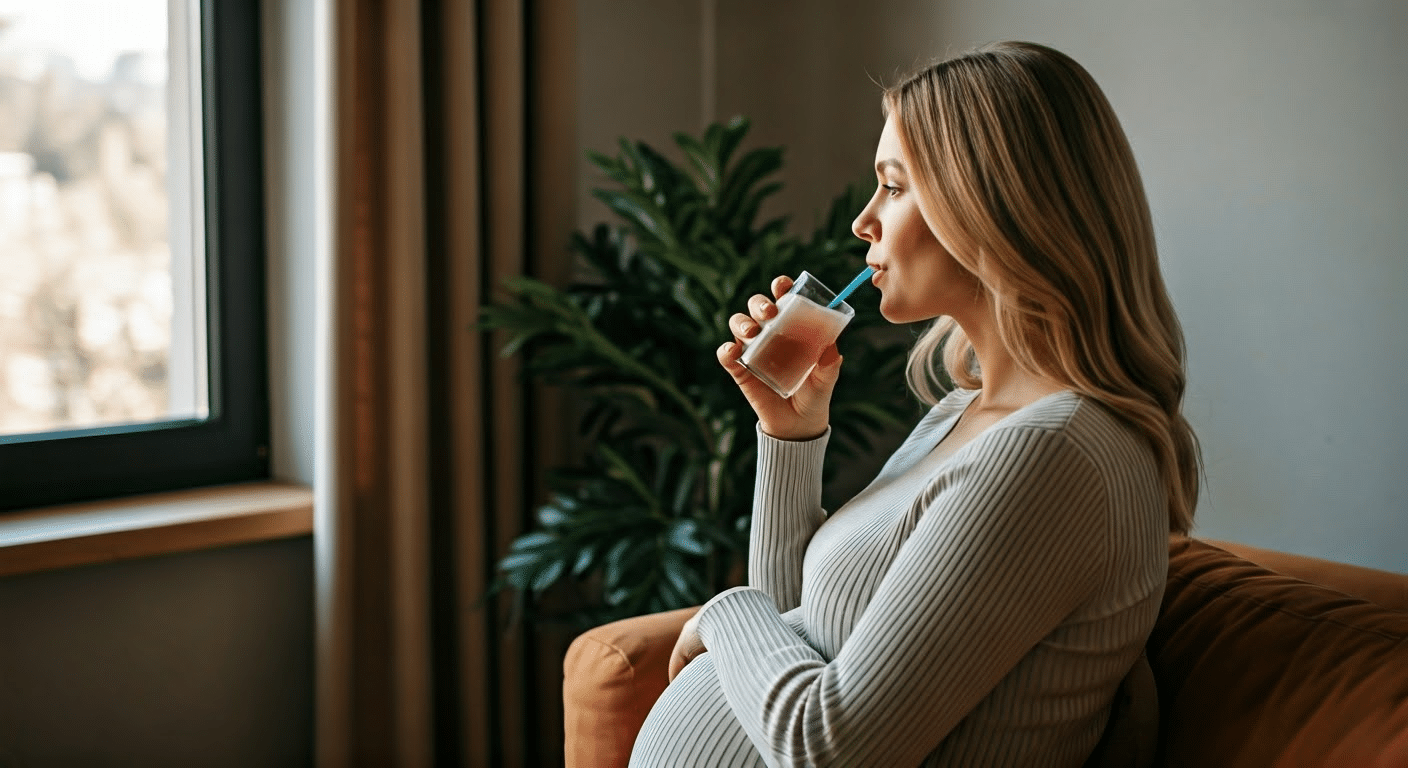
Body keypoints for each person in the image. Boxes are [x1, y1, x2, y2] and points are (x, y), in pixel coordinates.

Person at [629, 40, 1201, 767]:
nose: (863, 222)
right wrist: (791, 437)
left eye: (894, 188)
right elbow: (800, 628)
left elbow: (829, 750)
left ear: (991, 207)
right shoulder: (966, 417)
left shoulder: (1052, 453)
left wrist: (723, 613)